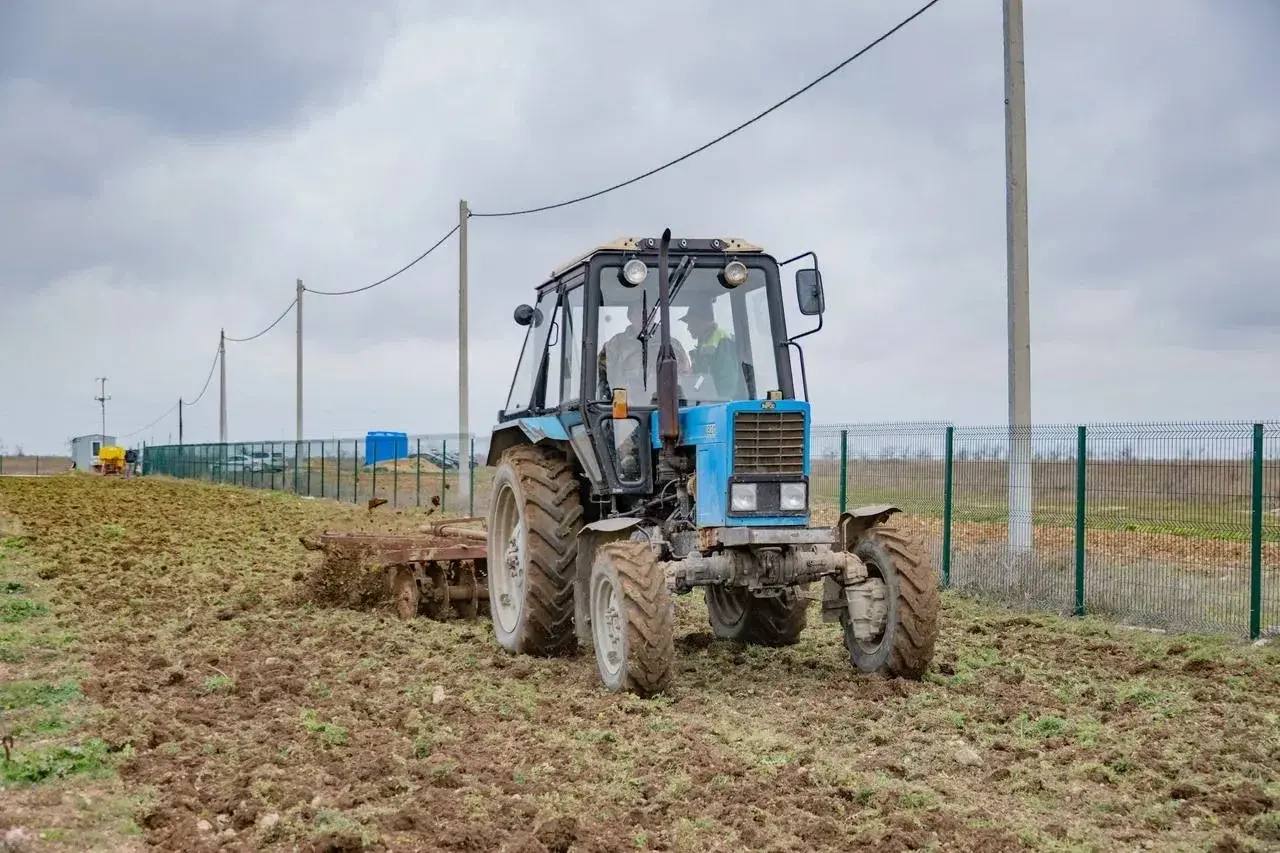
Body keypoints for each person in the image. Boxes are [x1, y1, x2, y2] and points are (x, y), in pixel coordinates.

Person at [597, 302, 690, 402]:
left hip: (666, 407)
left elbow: (686, 377)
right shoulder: (615, 345)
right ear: (630, 317)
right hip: (626, 409)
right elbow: (601, 377)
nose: (644, 318)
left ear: (654, 316)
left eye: (649, 314)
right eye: (638, 313)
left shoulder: (672, 345)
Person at [684, 301, 746, 400]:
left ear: (701, 320)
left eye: (691, 323)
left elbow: (729, 381)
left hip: (724, 405)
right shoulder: (704, 342)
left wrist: (720, 402)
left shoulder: (723, 340)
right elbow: (703, 376)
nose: (688, 328)